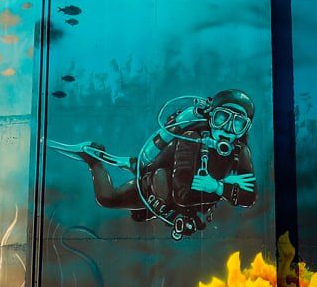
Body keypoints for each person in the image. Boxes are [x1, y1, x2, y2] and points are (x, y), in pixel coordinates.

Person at [53, 90, 257, 236]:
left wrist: (217, 186)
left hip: (178, 210)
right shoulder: (191, 140)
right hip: (157, 189)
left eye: (238, 122)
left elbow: (249, 197)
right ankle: (93, 160)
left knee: (139, 213)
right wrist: (226, 188)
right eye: (222, 117)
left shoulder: (241, 153)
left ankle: (141, 207)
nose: (228, 128)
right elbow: (182, 195)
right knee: (107, 198)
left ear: (245, 128)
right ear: (211, 118)